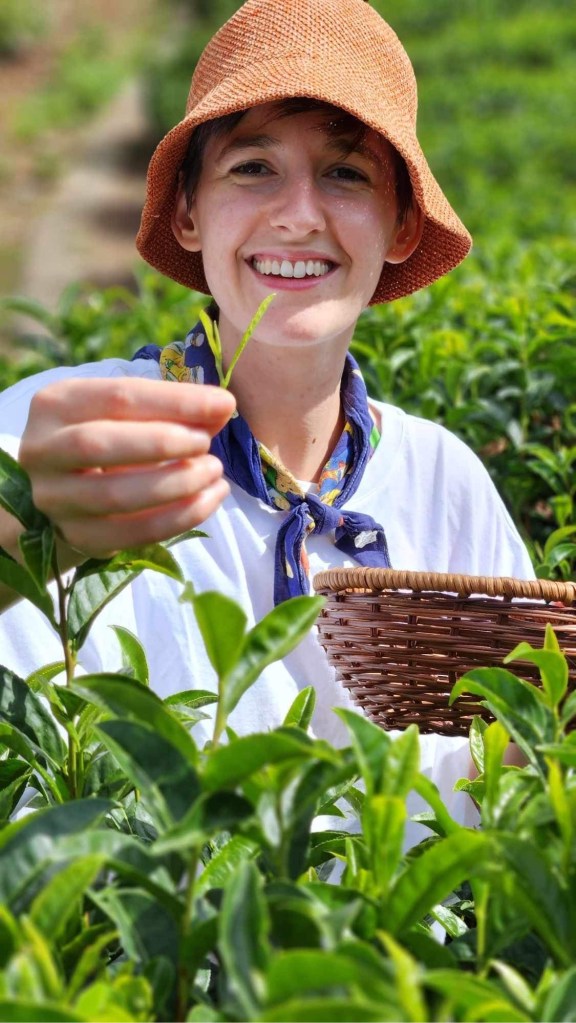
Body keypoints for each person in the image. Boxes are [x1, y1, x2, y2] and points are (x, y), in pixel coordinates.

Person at [0, 0, 533, 841]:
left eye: (346, 174)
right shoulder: (71, 429)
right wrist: (20, 537)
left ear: (399, 226)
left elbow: (506, 769)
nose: (297, 214)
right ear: (187, 211)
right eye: (253, 167)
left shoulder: (442, 476)